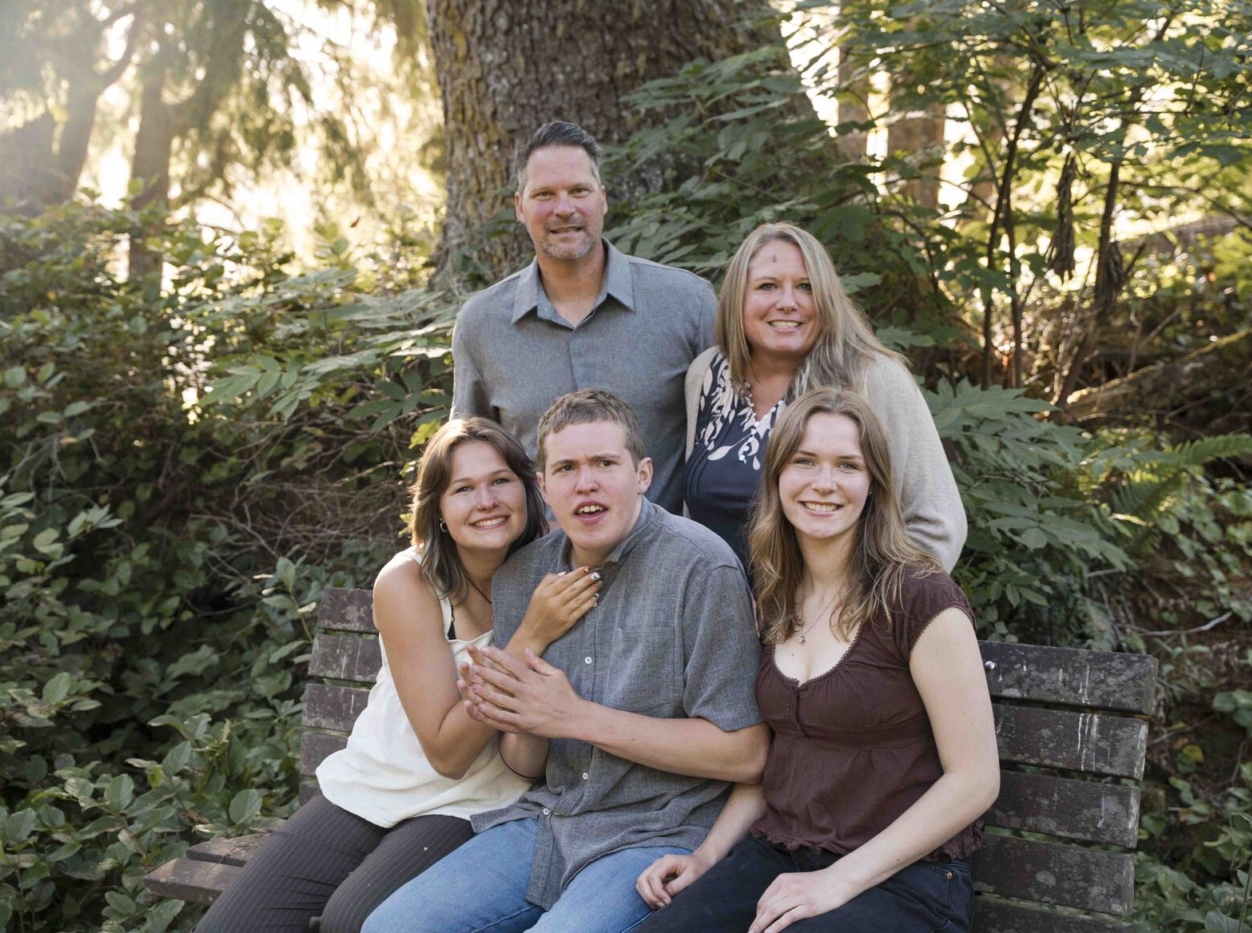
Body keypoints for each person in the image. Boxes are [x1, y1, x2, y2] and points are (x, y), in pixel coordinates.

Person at [362, 389, 769, 933]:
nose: (586, 483)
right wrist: (526, 710)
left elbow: (745, 754)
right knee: (390, 928)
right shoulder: (522, 575)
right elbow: (525, 764)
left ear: (643, 474)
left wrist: (572, 716)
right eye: (567, 468)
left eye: (605, 463)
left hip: (655, 833)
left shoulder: (700, 568)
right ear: (544, 487)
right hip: (549, 822)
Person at [196, 418, 600, 933]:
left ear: (529, 487)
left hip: (474, 801)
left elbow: (466, 771)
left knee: (352, 922)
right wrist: (529, 636)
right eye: (463, 489)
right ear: (437, 509)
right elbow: (444, 750)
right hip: (377, 785)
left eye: (500, 480)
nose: (487, 501)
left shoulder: (554, 571)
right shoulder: (409, 580)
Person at [634, 387, 1000, 933]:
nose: (823, 483)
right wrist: (707, 858)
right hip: (778, 857)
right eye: (804, 461)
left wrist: (840, 879)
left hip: (900, 877)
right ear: (777, 477)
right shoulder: (774, 595)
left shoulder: (918, 595)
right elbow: (778, 756)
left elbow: (974, 779)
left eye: (846, 465)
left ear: (873, 484)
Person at [452, 121, 716, 514]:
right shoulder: (481, 325)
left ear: (603, 199)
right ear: (519, 207)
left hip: (671, 565)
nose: (564, 208)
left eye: (579, 191)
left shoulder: (688, 304)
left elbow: (732, 440)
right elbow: (467, 462)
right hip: (541, 568)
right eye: (545, 194)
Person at [683, 222, 965, 569]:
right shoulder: (708, 374)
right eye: (767, 286)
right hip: (711, 616)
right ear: (737, 299)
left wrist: (867, 614)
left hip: (827, 618)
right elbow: (690, 520)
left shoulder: (873, 380)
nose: (787, 303)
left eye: (806, 287)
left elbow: (938, 526)